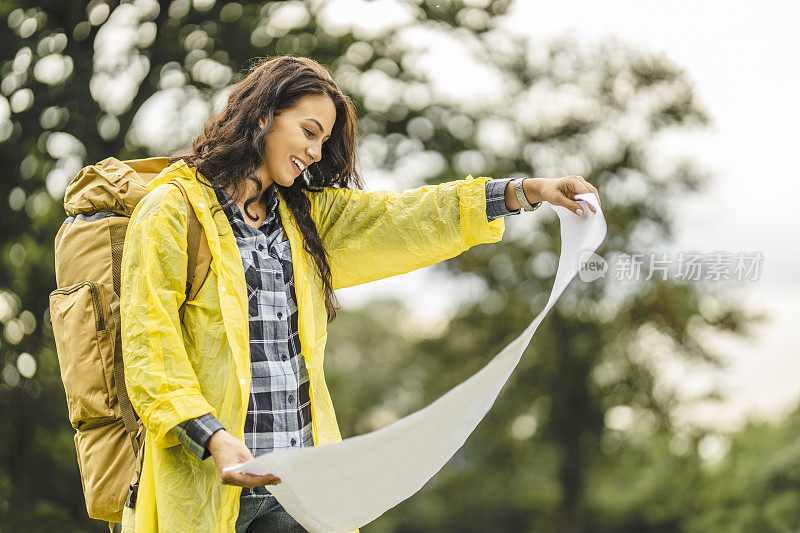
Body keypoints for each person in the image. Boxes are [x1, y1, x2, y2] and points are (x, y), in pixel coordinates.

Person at [119, 55, 601, 533]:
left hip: (298, 488)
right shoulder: (172, 211)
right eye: (308, 131)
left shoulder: (304, 220)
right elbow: (150, 349)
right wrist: (215, 438)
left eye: (323, 141)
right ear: (263, 115)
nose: (314, 151)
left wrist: (526, 190)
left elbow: (410, 216)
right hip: (210, 486)